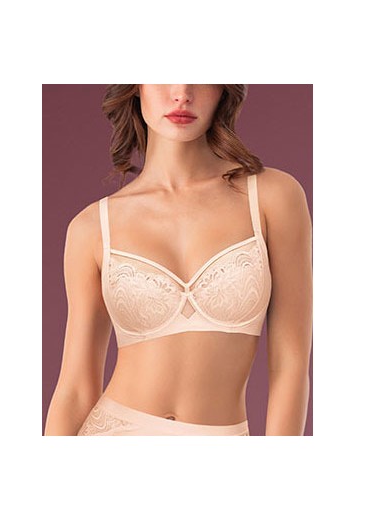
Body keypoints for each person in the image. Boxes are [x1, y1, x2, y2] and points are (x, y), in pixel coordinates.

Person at [44, 84, 312, 436]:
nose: (182, 92)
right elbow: (75, 389)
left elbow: (291, 363)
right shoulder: (92, 227)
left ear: (223, 88)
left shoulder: (272, 197)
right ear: (136, 87)